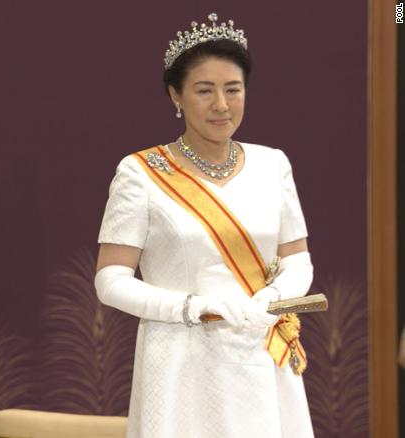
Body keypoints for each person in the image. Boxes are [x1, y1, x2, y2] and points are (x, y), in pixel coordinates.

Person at [94, 13, 315, 438]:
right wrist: (191, 307)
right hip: (182, 358)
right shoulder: (141, 173)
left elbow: (298, 259)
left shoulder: (273, 164)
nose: (221, 105)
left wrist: (273, 297)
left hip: (262, 349)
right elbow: (111, 280)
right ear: (175, 95)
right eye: (204, 91)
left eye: (233, 90)